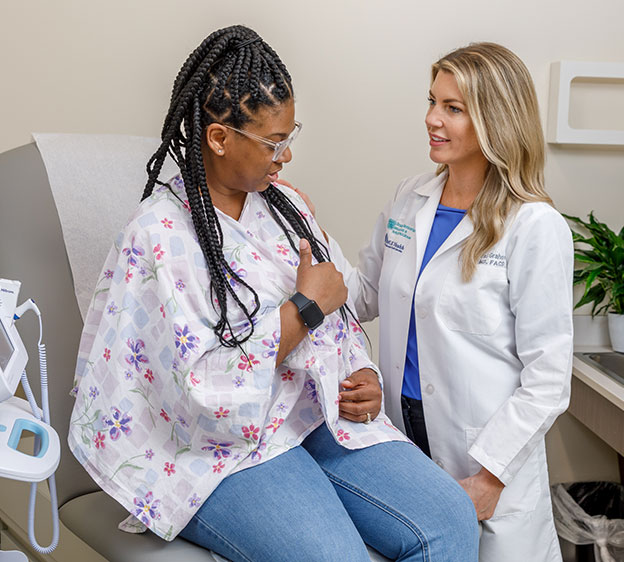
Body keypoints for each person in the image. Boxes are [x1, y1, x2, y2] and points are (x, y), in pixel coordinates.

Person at [67, 25, 478, 562]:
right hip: (217, 446)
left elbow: (341, 317)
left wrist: (363, 374)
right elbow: (200, 390)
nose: (284, 156)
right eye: (272, 142)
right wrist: (304, 308)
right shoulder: (160, 236)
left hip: (314, 413)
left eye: (290, 136)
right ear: (218, 138)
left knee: (450, 521)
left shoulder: (285, 207)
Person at [313, 42, 572, 561]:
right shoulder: (409, 198)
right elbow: (361, 294)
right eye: (432, 102)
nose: (432, 119)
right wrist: (300, 226)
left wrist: (492, 477)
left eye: (453, 108)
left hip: (484, 454)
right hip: (400, 432)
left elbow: (548, 378)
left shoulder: (535, 227)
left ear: (495, 119)